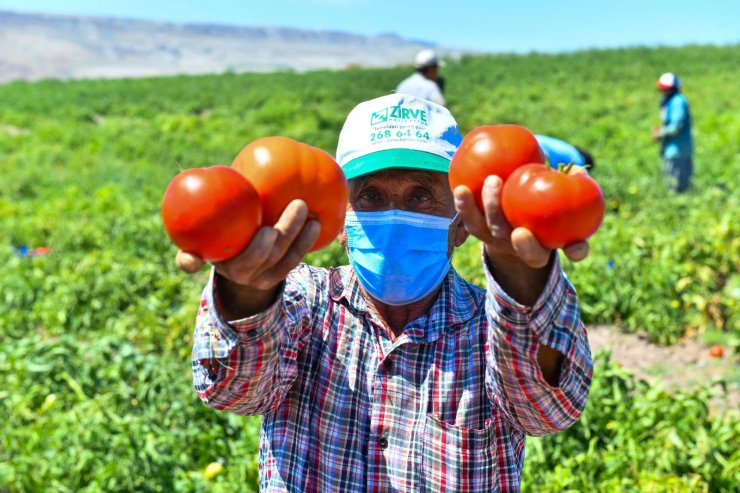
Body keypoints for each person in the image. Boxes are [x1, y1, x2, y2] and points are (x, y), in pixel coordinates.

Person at [184, 94, 593, 492]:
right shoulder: (301, 302)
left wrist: (520, 273)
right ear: (340, 222)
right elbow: (233, 392)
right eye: (371, 196)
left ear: (461, 220)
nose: (396, 214)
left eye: (421, 195)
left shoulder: (491, 329)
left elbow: (548, 413)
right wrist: (247, 290)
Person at [652, 72, 693, 193]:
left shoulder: (678, 102)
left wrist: (659, 133)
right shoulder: (668, 101)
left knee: (677, 186)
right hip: (671, 149)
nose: (663, 92)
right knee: (672, 182)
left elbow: (676, 127)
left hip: (678, 150)